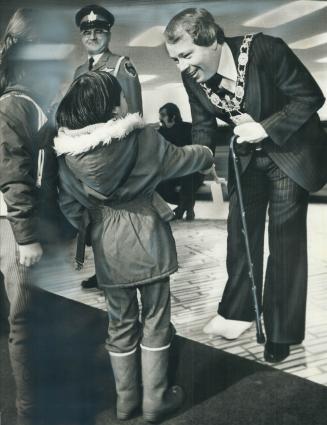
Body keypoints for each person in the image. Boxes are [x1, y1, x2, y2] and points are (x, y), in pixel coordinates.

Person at [164, 8, 327, 362]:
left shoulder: (266, 49)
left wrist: (266, 127)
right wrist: (195, 159)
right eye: (175, 58)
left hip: (290, 153)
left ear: (211, 40)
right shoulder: (194, 75)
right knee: (239, 233)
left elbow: (310, 98)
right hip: (248, 158)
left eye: (186, 55)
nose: (181, 66)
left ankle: (282, 332)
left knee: (284, 241)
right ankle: (238, 312)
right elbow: (204, 125)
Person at [54, 71, 213, 422]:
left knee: (120, 322)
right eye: (122, 98)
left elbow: (69, 208)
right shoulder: (143, 139)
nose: (128, 104)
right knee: (155, 318)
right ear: (113, 109)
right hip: (149, 240)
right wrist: (205, 152)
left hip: (109, 249)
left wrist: (96, 222)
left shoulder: (67, 158)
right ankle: (156, 401)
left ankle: (126, 403)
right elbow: (183, 159)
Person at [0, 8, 71, 425]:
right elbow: (14, 176)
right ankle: (30, 415)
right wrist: (26, 236)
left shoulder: (31, 101)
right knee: (25, 319)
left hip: (27, 224)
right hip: (14, 226)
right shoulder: (13, 105)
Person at [74, 3, 143, 289]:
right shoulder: (79, 70)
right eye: (87, 32)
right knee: (94, 220)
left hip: (114, 157)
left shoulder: (120, 65)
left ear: (108, 34)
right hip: (86, 157)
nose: (92, 36)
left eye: (98, 31)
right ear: (82, 36)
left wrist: (128, 162)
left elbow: (134, 116)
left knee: (118, 221)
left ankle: (122, 272)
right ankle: (103, 270)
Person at [157, 102, 204, 220]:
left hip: (192, 171)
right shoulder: (161, 133)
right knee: (157, 184)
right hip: (172, 172)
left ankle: (182, 209)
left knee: (188, 173)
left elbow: (197, 151)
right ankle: (185, 206)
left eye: (163, 115)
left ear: (173, 116)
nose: (160, 118)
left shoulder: (188, 129)